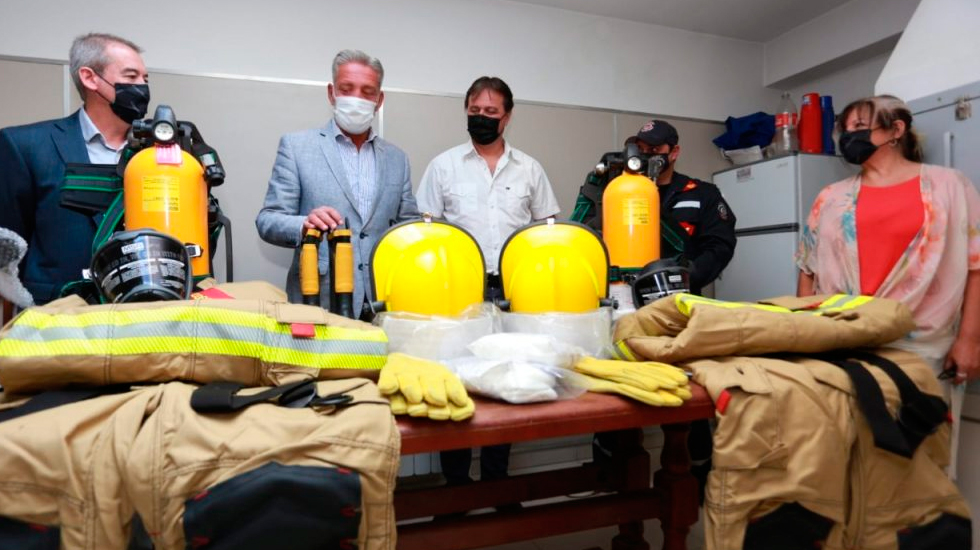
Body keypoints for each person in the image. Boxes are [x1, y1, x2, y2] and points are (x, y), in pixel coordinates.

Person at [796, 94, 980, 474]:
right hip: (842, 347)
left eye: (861, 129)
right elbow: (807, 268)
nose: (850, 138)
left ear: (896, 130)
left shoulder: (949, 187)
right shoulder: (830, 197)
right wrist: (804, 336)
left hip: (923, 350)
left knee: (921, 464)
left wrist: (970, 340)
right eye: (845, 131)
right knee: (847, 461)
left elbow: (976, 266)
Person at [416, 76, 560, 495]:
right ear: (466, 111)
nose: (481, 119)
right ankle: (456, 486)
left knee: (508, 382)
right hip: (456, 293)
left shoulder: (530, 168)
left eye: (491, 113)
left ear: (507, 117)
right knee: (456, 381)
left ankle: (498, 482)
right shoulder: (443, 166)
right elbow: (426, 234)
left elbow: (546, 233)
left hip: (516, 295)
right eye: (475, 112)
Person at [255, 49, 418, 316]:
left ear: (380, 99)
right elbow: (268, 221)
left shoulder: (398, 159)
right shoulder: (297, 147)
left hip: (382, 304)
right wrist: (304, 224)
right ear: (332, 93)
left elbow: (406, 229)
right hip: (319, 300)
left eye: (368, 92)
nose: (357, 99)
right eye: (347, 88)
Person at [0, 33, 149, 305]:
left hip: (145, 313)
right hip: (53, 316)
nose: (142, 86)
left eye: (145, 79)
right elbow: (9, 246)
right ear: (90, 78)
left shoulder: (160, 153)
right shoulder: (26, 146)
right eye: (131, 77)